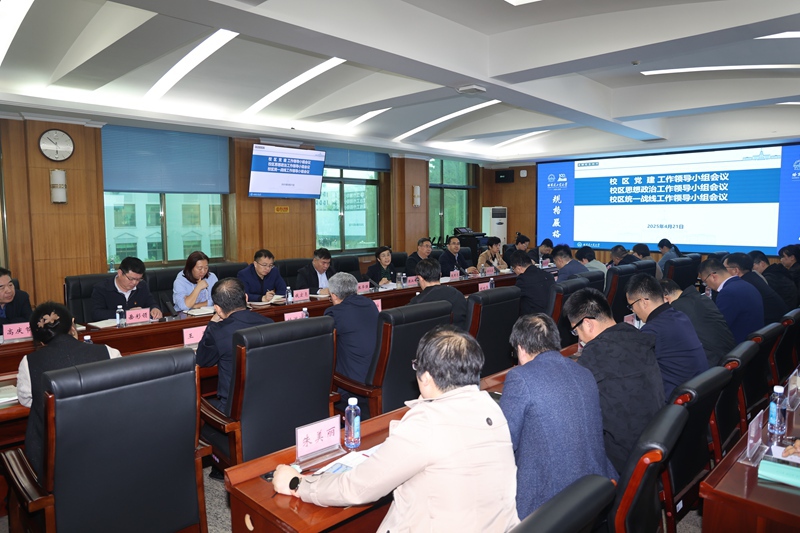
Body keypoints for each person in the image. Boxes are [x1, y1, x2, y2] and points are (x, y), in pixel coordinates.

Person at [272, 326, 520, 532]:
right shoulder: (491, 407)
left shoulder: (426, 423)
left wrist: (298, 484)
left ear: (426, 377)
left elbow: (358, 488)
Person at [500, 314, 617, 519]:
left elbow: (504, 443)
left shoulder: (520, 377)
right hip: (595, 489)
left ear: (521, 348)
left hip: (551, 502)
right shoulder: (584, 373)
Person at [563, 288, 663, 474]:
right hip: (656, 445)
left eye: (576, 330)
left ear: (587, 323)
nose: (579, 337)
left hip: (624, 463)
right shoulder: (637, 337)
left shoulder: (594, 355)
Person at [21, 302, 121, 480]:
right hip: (109, 450)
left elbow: (27, 400)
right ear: (73, 325)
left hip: (55, 464)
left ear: (40, 340)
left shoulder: (29, 362)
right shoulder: (108, 352)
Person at [196, 278, 273, 412]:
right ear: (246, 298)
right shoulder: (269, 323)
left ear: (217, 309)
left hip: (233, 409)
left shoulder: (218, 332)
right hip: (267, 401)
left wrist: (212, 324)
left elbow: (202, 361)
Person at [626, 273, 708, 400]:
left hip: (678, 403)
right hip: (700, 393)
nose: (633, 311)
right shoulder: (680, 316)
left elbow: (634, 370)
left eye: (631, 306)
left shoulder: (652, 330)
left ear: (643, 302)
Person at [661, 279, 735, 367]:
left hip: (712, 365)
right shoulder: (702, 298)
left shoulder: (675, 311)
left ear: (665, 299)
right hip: (730, 356)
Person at [324, 273, 379, 387]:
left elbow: (325, 345)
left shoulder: (334, 313)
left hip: (353, 382)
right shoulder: (370, 304)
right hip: (377, 374)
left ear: (334, 296)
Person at [699, 257, 764, 343]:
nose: (707, 286)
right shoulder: (746, 284)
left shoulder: (727, 293)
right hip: (750, 344)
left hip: (737, 345)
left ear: (713, 277)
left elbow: (717, 328)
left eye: (705, 282)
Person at [90, 257, 162, 321]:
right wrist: (126, 313)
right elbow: (97, 314)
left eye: (138, 279)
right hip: (113, 329)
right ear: (120, 273)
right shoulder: (102, 288)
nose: (134, 283)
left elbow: (151, 302)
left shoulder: (142, 285)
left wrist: (155, 309)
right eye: (131, 279)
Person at [724, 253, 788, 325]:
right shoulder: (753, 276)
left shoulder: (742, 285)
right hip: (775, 325)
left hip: (769, 325)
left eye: (724, 268)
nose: (722, 271)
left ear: (736, 270)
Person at [409, 258, 466, 330]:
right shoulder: (457, 293)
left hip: (435, 336)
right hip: (460, 334)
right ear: (440, 274)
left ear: (419, 278)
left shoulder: (417, 302)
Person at [510, 250, 554, 316]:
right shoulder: (548, 275)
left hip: (534, 319)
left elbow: (516, 302)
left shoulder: (523, 280)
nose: (515, 272)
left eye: (514, 269)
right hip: (550, 317)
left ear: (518, 268)